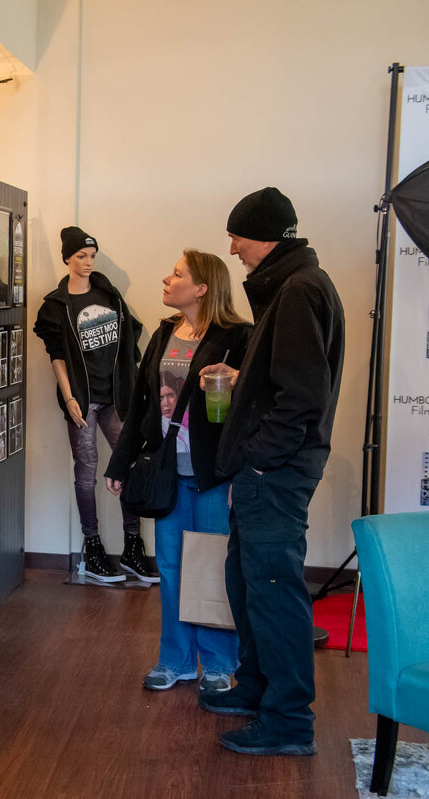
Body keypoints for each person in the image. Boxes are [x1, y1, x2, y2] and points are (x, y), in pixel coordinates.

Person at [197, 187, 345, 757]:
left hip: (275, 471)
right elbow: (287, 379)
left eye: (236, 235)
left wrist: (257, 460)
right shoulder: (290, 287)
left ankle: (288, 722)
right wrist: (242, 381)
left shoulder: (299, 289)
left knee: (276, 592)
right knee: (249, 584)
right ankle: (257, 690)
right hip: (269, 468)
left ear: (264, 236)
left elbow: (303, 397)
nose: (231, 248)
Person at [106, 250, 252, 692]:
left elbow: (251, 407)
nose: (167, 280)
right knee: (169, 566)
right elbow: (142, 406)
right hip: (168, 470)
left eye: (178, 274)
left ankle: (221, 664)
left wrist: (239, 473)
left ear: (202, 287)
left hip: (213, 474)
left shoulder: (237, 335)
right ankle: (176, 660)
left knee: (210, 566)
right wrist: (120, 460)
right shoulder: (165, 332)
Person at [33, 227, 145, 582]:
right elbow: (57, 355)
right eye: (81, 256)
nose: (87, 262)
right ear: (67, 257)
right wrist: (69, 398)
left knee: (127, 465)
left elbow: (129, 336)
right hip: (82, 399)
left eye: (92, 256)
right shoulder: (56, 305)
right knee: (86, 471)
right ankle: (93, 545)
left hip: (115, 397)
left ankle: (132, 546)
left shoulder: (107, 293)